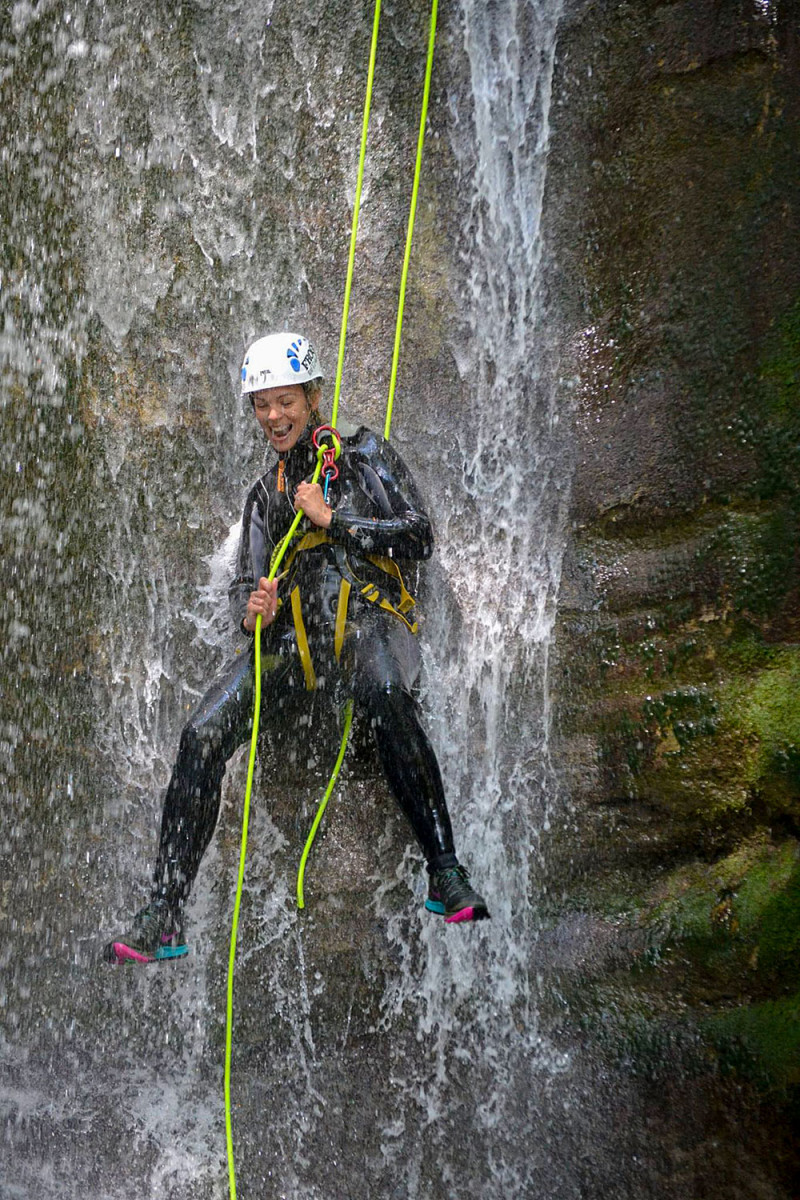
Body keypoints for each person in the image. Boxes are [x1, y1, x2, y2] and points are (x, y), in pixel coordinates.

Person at [105, 331, 489, 963]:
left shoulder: (364, 456)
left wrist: (334, 520)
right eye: (262, 405)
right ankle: (165, 911)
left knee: (386, 690)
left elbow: (418, 536)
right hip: (295, 648)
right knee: (202, 733)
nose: (274, 417)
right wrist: (252, 611)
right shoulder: (265, 494)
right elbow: (242, 594)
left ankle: (445, 872)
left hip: (372, 625)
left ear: (313, 396)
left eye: (285, 401)